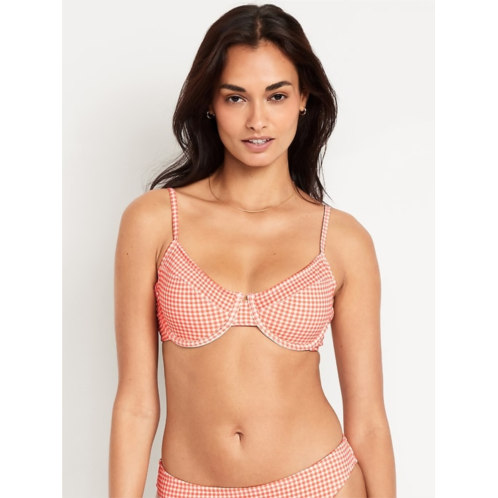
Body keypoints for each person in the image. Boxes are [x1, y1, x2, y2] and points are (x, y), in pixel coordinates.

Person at [109, 4, 396, 497]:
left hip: (319, 483)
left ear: (303, 98)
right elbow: (136, 404)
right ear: (210, 103)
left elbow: (368, 419)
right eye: (236, 97)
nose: (257, 120)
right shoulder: (154, 221)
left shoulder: (342, 240)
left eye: (277, 95)